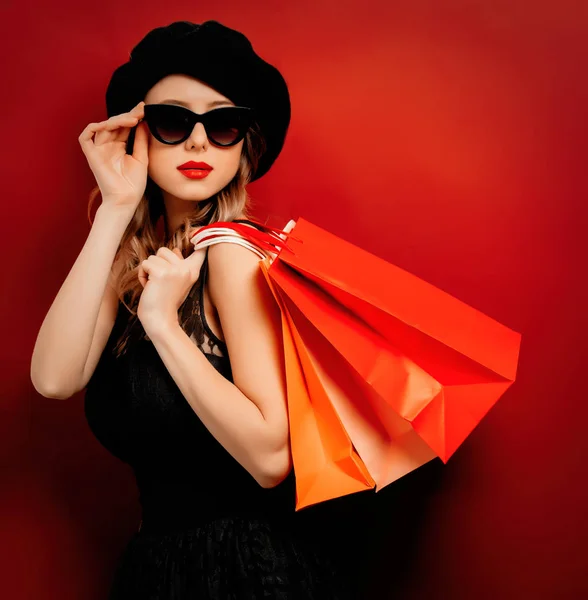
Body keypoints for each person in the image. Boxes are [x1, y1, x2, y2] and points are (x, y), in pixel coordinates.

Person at [30, 19, 355, 599]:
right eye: (173, 122)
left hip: (246, 574)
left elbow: (269, 457)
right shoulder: (134, 260)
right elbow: (54, 379)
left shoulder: (231, 254)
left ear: (244, 143)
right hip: (156, 569)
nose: (199, 143)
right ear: (138, 133)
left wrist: (163, 324)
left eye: (223, 123)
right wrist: (115, 207)